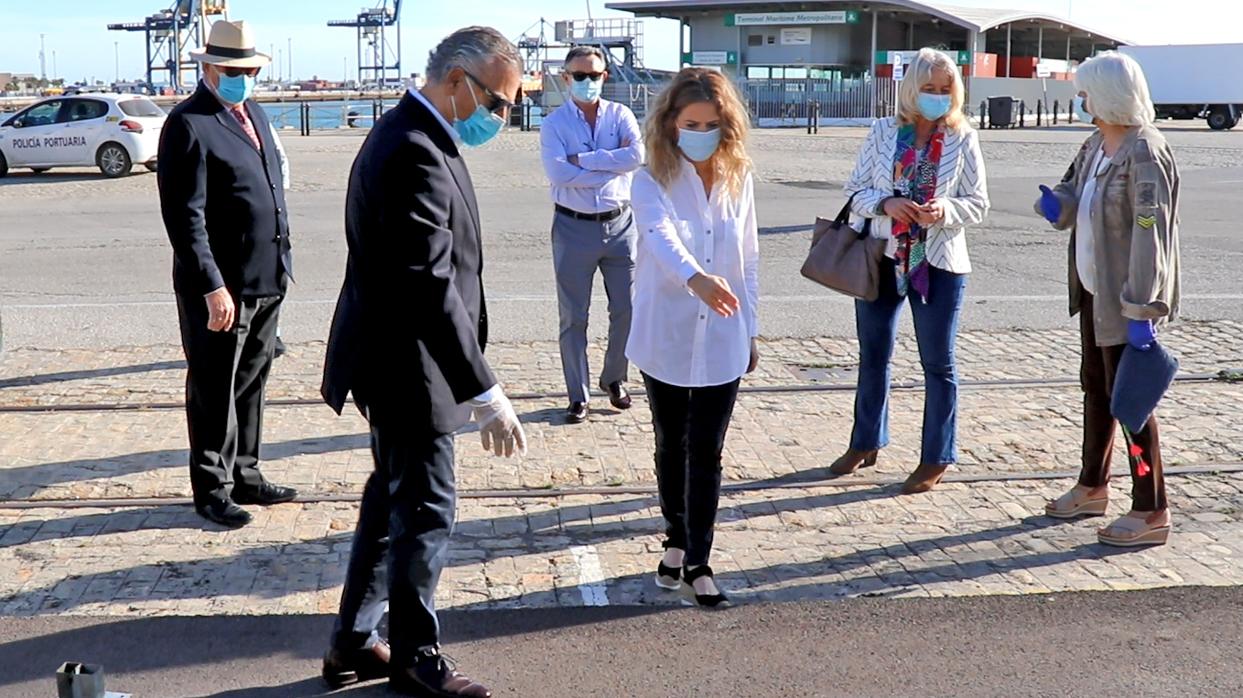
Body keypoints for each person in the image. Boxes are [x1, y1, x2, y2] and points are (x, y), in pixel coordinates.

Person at [319, 27, 526, 697]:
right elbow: (428, 283)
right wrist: (484, 389)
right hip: (408, 362)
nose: (502, 116)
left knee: (390, 502)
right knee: (426, 510)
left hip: (402, 354)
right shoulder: (412, 147)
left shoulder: (419, 132)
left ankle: (352, 640)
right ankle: (416, 654)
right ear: (456, 80)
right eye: (497, 101)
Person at [1036, 51, 1180, 547]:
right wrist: (1058, 203)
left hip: (1127, 301)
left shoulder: (1145, 151)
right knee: (1096, 390)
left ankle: (1150, 508)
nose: (1080, 101)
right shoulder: (1096, 143)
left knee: (1132, 403)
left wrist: (1143, 308)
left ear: (1109, 94)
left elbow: (1150, 230)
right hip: (1095, 294)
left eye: (1085, 92)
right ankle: (1092, 485)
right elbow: (1071, 189)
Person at [830, 48, 990, 494]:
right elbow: (855, 191)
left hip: (938, 262)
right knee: (873, 355)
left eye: (946, 90)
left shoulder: (963, 137)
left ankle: (936, 455)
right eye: (930, 89)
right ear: (910, 90)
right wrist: (886, 203)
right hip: (882, 256)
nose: (939, 98)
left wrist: (945, 209)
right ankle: (865, 441)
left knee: (937, 362)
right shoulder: (884, 131)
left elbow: (978, 204)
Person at [627, 68, 759, 609]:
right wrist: (695, 279)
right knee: (670, 441)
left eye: (711, 123)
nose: (700, 132)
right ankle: (676, 538)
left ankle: (698, 560)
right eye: (690, 123)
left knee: (707, 449)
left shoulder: (738, 177)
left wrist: (751, 328)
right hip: (668, 331)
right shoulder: (649, 177)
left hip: (725, 332)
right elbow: (657, 236)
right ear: (671, 123)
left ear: (726, 125)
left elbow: (748, 256)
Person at [158, 20, 297, 529]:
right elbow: (185, 218)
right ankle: (212, 488)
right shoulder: (189, 123)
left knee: (253, 381)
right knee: (215, 386)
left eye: (251, 70)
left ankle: (246, 472)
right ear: (209, 69)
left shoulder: (253, 112)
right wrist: (212, 286)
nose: (244, 78)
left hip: (267, 276)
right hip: (221, 287)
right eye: (234, 70)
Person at [539, 45, 643, 423]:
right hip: (573, 227)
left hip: (621, 224)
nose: (587, 82)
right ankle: (577, 394)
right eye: (579, 76)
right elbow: (558, 174)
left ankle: (614, 378)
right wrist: (610, 163)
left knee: (628, 309)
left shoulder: (622, 114)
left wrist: (584, 160)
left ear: (605, 77)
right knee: (573, 316)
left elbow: (636, 156)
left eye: (594, 75)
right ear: (566, 78)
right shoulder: (553, 124)